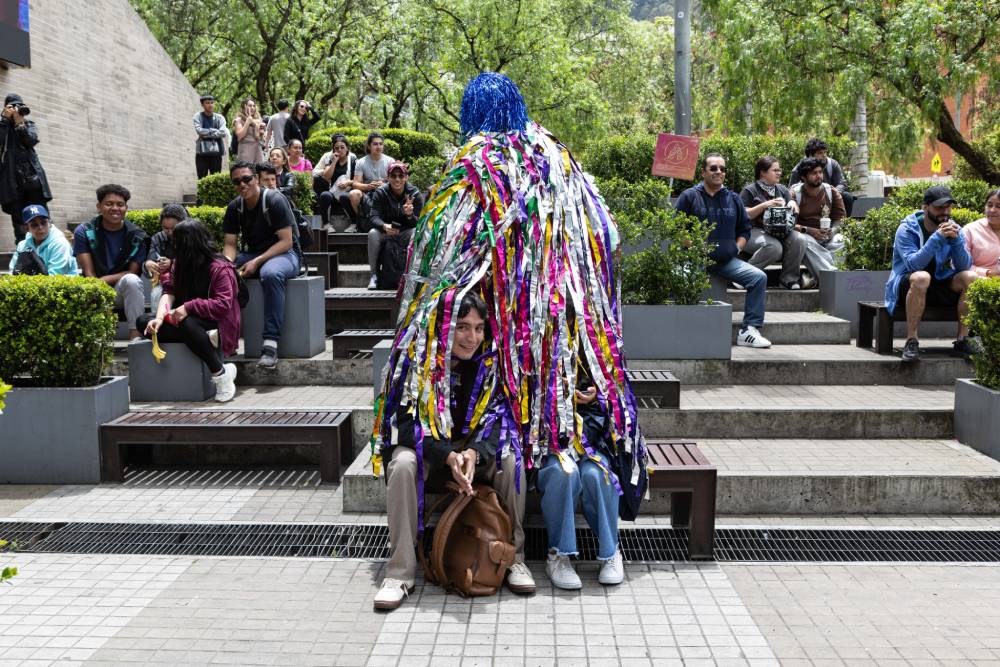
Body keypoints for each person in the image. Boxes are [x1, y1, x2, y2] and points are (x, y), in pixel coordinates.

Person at [374, 292, 535, 611]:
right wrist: (447, 455)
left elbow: (502, 418)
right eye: (462, 326)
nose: (471, 337)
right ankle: (400, 572)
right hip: (432, 455)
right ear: (444, 325)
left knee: (511, 461)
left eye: (478, 328)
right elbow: (403, 425)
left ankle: (513, 557)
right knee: (402, 463)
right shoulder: (416, 361)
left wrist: (475, 453)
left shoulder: (493, 364)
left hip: (474, 457)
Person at [538, 364, 624, 590]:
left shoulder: (598, 338)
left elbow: (621, 396)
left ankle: (610, 550)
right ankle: (559, 553)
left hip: (594, 442)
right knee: (563, 473)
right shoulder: (538, 337)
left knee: (597, 475)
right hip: (551, 442)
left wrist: (600, 395)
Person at [137, 219, 240, 402]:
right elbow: (169, 292)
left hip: (218, 321)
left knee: (188, 324)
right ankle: (205, 340)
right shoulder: (179, 264)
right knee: (144, 322)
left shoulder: (220, 268)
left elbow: (223, 305)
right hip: (187, 319)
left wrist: (189, 306)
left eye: (179, 243)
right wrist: (159, 319)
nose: (174, 246)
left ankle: (221, 375)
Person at [675, 153, 771, 348]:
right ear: (703, 172)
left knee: (758, 277)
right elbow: (677, 228)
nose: (719, 172)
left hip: (726, 261)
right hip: (695, 260)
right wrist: (693, 248)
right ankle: (684, 332)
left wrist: (737, 248)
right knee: (680, 280)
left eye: (722, 169)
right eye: (713, 168)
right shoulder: (689, 196)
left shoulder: (733, 198)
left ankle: (749, 331)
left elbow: (744, 229)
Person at [222, 161, 300, 369]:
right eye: (237, 181)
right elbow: (230, 245)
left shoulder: (274, 200)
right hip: (252, 254)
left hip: (285, 254)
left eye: (246, 179)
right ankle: (226, 340)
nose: (242, 184)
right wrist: (227, 267)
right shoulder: (234, 207)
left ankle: (270, 345)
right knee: (220, 273)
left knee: (270, 274)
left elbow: (286, 241)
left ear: (256, 178)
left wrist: (256, 261)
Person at [885, 185, 976, 362]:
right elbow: (913, 264)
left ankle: (963, 340)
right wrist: (936, 238)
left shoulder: (954, 228)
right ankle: (912, 341)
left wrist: (956, 241)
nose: (945, 212)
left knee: (970, 277)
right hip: (908, 283)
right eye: (939, 207)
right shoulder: (907, 229)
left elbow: (964, 266)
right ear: (925, 208)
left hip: (939, 282)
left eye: (948, 207)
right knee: (921, 277)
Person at [74, 184, 148, 341]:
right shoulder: (85, 231)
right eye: (109, 204)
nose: (115, 208)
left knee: (133, 281)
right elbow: (89, 273)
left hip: (120, 291)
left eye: (120, 204)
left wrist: (105, 280)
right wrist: (99, 286)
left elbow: (132, 272)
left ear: (126, 208)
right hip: (93, 287)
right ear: (99, 207)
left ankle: (136, 338)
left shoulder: (137, 236)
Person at [739, 156, 807, 290]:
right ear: (762, 173)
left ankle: (789, 279)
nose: (779, 173)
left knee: (800, 239)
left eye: (779, 170)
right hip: (752, 231)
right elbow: (744, 215)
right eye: (775, 170)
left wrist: (793, 203)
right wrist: (765, 205)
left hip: (781, 231)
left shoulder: (782, 189)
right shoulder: (750, 190)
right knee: (774, 247)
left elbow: (793, 205)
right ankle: (744, 277)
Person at [1, 93, 52, 243]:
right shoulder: (2, 126)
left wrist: (19, 123)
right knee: (19, 221)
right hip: (12, 182)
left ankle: (49, 248)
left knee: (42, 215)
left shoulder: (28, 124)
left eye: (19, 106)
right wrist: (4, 120)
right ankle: (25, 255)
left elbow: (31, 140)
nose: (16, 110)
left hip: (33, 180)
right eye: (12, 106)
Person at [789, 157, 847, 288]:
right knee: (803, 241)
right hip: (806, 236)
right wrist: (809, 231)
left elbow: (840, 219)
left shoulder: (831, 191)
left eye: (820, 172)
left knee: (841, 239)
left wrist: (833, 231)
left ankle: (816, 277)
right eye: (814, 173)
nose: (819, 176)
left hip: (827, 236)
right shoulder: (795, 194)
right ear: (803, 177)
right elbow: (789, 225)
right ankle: (834, 279)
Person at [366, 161, 423, 290]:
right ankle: (373, 275)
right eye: (393, 176)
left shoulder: (415, 194)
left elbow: (419, 223)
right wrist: (384, 226)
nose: (397, 179)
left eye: (401, 176)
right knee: (373, 234)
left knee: (416, 233)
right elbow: (373, 217)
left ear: (406, 177)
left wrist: (409, 215)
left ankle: (413, 276)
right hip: (386, 231)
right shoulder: (381, 192)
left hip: (405, 232)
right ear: (388, 177)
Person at [789, 137, 855, 216]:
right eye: (820, 153)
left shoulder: (832, 164)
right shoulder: (798, 169)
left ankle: (844, 225)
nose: (824, 155)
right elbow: (791, 190)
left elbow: (841, 183)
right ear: (810, 155)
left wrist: (834, 194)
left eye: (825, 152)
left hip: (829, 198)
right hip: (807, 200)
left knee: (847, 197)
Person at [9, 204, 77, 275]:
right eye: (34, 224)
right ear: (27, 228)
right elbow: (13, 272)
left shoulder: (60, 244)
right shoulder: (22, 246)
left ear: (49, 223)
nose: (40, 227)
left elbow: (55, 276)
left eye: (43, 222)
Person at [313, 134, 360, 231]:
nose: (340, 150)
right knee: (324, 195)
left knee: (344, 196)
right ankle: (326, 224)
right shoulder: (330, 158)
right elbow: (326, 177)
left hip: (347, 191)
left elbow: (358, 180)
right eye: (336, 148)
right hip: (333, 191)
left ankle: (354, 224)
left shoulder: (353, 159)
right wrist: (334, 162)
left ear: (347, 148)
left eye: (342, 147)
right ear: (333, 149)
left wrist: (348, 183)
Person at [145, 204, 186, 308]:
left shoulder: (192, 237)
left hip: (188, 282)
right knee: (156, 295)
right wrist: (149, 264)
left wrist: (172, 263)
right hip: (164, 284)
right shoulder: (158, 238)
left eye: (174, 228)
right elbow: (150, 261)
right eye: (165, 228)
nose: (170, 232)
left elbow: (198, 263)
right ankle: (157, 323)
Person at [351, 133, 395, 231]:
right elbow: (355, 184)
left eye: (380, 144)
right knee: (353, 194)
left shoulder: (390, 161)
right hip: (368, 193)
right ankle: (362, 220)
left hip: (386, 193)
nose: (378, 146)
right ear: (369, 146)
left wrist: (384, 185)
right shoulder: (361, 162)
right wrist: (368, 186)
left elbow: (396, 181)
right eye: (375, 144)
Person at [963, 189, 1000, 278]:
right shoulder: (970, 230)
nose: (992, 210)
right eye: (989, 205)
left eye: (999, 206)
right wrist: (988, 273)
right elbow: (957, 264)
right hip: (978, 280)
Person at [192, 94, 228, 179]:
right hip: (201, 153)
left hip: (216, 152)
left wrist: (207, 133)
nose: (210, 105)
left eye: (212, 102)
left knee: (215, 179)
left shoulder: (220, 118)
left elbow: (223, 133)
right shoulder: (198, 116)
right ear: (202, 105)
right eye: (207, 103)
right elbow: (199, 130)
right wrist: (215, 131)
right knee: (201, 178)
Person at [233, 98, 265, 164]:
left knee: (259, 171)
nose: (252, 108)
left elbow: (260, 138)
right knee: (247, 171)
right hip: (245, 149)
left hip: (257, 149)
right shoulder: (238, 120)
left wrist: (261, 133)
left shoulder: (258, 119)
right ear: (244, 107)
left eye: (254, 106)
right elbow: (240, 136)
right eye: (250, 106)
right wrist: (247, 122)